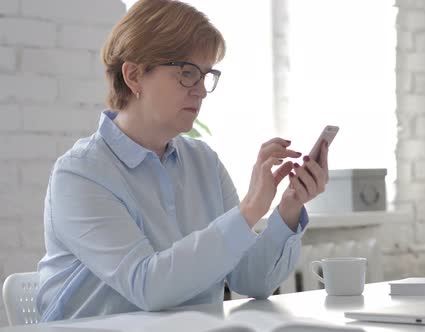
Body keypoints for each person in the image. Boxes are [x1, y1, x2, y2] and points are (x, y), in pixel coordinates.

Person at [35, 0, 329, 321]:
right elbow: (148, 286)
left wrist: (287, 207)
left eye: (206, 75)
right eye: (188, 73)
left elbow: (251, 280)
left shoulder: (203, 161)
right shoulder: (80, 174)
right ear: (134, 75)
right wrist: (248, 211)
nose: (201, 90)